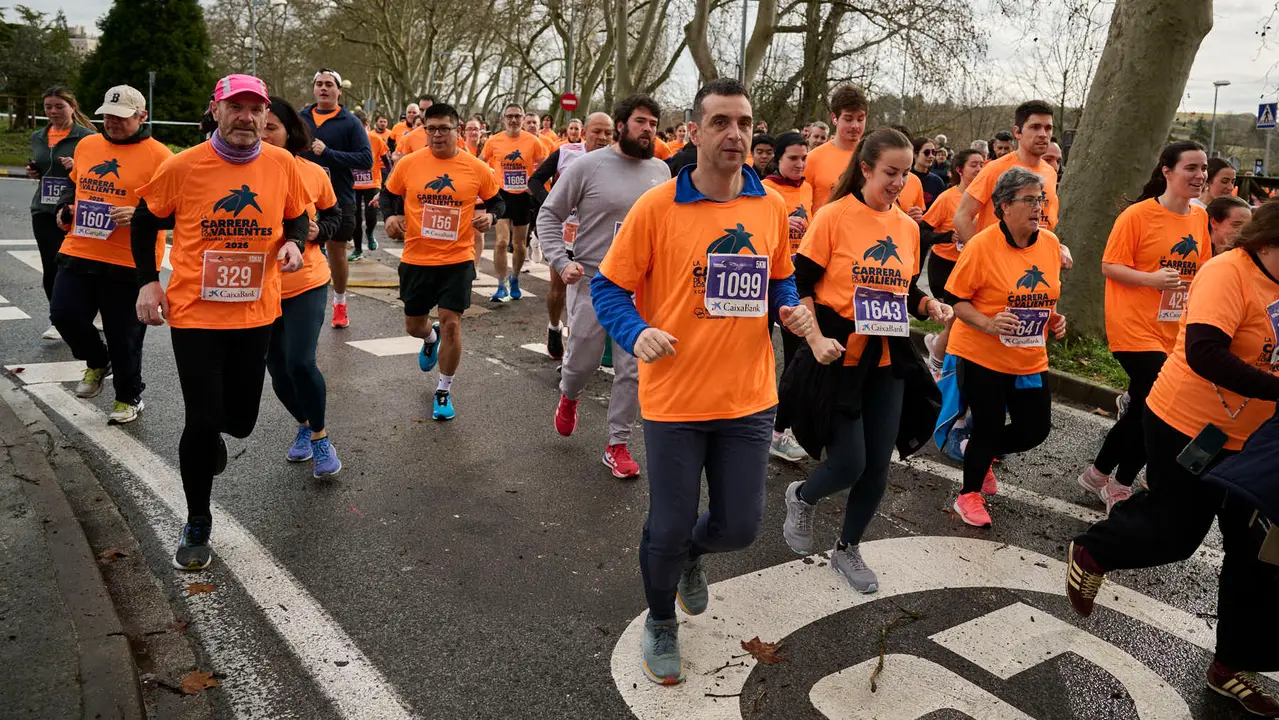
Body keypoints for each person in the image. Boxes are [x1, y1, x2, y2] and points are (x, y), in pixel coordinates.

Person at [590, 78, 812, 685]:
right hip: (676, 398)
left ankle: (690, 554)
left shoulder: (769, 207)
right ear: (692, 133)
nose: (735, 133)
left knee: (739, 528)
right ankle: (660, 618)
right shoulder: (658, 207)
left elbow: (781, 277)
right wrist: (634, 332)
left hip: (747, 397)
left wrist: (789, 305)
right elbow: (609, 287)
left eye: (743, 122)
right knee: (666, 522)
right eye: (720, 122)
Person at [1067, 202, 1279, 719]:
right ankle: (1094, 550)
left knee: (1260, 555)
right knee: (1176, 531)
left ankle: (1232, 666)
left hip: (1256, 440)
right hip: (1188, 425)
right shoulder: (1227, 271)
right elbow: (1206, 351)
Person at [131, 74, 308, 570]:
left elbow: (296, 214)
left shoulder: (282, 163)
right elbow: (146, 218)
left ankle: (216, 437)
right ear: (216, 110)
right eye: (236, 107)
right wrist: (148, 281)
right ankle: (197, 521)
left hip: (256, 312)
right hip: (195, 313)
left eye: (256, 109)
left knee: (243, 422)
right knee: (202, 420)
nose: (246, 118)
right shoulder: (182, 166)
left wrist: (293, 241)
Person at [781, 128, 952, 592]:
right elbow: (800, 283)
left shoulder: (906, 228)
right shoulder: (834, 217)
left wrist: (927, 306)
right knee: (849, 462)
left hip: (888, 355)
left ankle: (848, 548)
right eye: (890, 173)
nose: (898, 182)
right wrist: (813, 336)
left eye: (905, 173)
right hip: (838, 353)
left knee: (878, 465)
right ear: (866, 169)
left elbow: (904, 288)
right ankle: (802, 494)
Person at [1077, 142, 1212, 511]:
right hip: (1133, 326)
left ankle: (1098, 474)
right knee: (1155, 405)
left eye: (1203, 169)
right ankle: (1118, 484)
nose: (1200, 175)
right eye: (1191, 168)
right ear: (1167, 171)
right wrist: (1151, 280)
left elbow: (1202, 270)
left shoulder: (1199, 218)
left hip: (1173, 328)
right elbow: (1110, 266)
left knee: (1141, 406)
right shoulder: (1137, 216)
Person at [540, 96, 669, 478]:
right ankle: (569, 394)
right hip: (595, 281)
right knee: (583, 361)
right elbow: (549, 214)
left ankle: (618, 444)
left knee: (633, 367)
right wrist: (561, 262)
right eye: (641, 122)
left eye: (653, 123)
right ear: (621, 125)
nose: (648, 129)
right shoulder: (587, 166)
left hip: (641, 286)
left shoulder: (662, 171)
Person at [942, 166, 1066, 528]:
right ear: (1004, 206)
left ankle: (982, 458)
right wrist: (988, 323)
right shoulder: (982, 245)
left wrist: (1055, 318)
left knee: (1035, 429)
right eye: (1028, 199)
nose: (1037, 207)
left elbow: (1045, 296)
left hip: (1029, 356)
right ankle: (968, 495)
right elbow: (956, 300)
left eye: (1040, 199)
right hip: (982, 353)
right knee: (989, 426)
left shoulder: (1050, 244)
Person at [49, 85, 170, 424]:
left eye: (121, 117)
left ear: (141, 116)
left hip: (129, 259)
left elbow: (173, 206)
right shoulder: (88, 144)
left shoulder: (161, 156)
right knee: (64, 315)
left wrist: (140, 212)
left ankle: (129, 396)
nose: (112, 123)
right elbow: (77, 183)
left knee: (124, 333)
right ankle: (98, 361)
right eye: (107, 116)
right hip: (80, 248)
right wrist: (65, 206)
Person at [381, 103, 503, 420]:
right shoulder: (409, 164)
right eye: (431, 128)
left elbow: (497, 200)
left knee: (452, 322)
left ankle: (444, 390)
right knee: (413, 325)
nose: (436, 135)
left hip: (457, 258)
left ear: (456, 130)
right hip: (417, 257)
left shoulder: (475, 168)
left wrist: (490, 216)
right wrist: (391, 215)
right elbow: (388, 193)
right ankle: (428, 337)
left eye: (443, 129)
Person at [260, 96, 343, 477]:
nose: (262, 133)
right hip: (258, 286)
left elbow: (335, 214)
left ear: (289, 132)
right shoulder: (237, 171)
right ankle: (304, 424)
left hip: (305, 280)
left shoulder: (311, 172)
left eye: (271, 127)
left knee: (300, 361)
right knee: (277, 369)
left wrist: (319, 230)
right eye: (259, 126)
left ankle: (321, 437)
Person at [529, 112, 615, 359]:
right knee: (558, 289)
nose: (602, 138)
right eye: (596, 132)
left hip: (597, 236)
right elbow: (535, 181)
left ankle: (574, 353)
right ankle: (554, 326)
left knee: (588, 294)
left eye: (607, 133)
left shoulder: (618, 160)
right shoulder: (566, 153)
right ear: (584, 132)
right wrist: (554, 205)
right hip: (564, 233)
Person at [299, 69, 373, 329]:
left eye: (329, 84)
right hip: (303, 196)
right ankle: (301, 301)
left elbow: (366, 159)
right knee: (301, 246)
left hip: (338, 197)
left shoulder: (349, 121)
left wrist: (328, 153)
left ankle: (340, 302)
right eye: (319, 84)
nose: (323, 88)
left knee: (336, 250)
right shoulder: (302, 118)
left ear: (339, 91)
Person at [27, 87, 96, 341]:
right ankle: (57, 320)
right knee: (51, 263)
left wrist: (78, 167)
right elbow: (42, 165)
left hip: (76, 210)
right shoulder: (38, 136)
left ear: (72, 107)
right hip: (44, 209)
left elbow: (99, 172)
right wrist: (34, 171)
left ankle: (88, 311)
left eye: (59, 106)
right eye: (48, 107)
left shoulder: (88, 138)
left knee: (77, 266)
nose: (53, 112)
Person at [761, 132, 813, 463]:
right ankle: (750, 419)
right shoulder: (765, 189)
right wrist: (782, 221)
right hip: (762, 283)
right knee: (757, 353)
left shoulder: (807, 189)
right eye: (793, 158)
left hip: (793, 282)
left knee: (797, 358)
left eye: (804, 158)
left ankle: (782, 429)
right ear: (777, 159)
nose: (799, 164)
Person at [955, 101, 1060, 245]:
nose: (1043, 134)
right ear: (1017, 132)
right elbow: (962, 216)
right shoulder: (995, 169)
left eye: (1048, 128)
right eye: (1035, 127)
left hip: (1034, 262)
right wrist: (980, 256)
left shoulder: (1050, 173)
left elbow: (1049, 221)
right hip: (996, 261)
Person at [920, 149, 985, 375]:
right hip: (944, 266)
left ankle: (939, 346)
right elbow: (922, 232)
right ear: (960, 170)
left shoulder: (987, 199)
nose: (979, 169)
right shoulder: (947, 198)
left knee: (963, 323)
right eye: (974, 165)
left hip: (972, 267)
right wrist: (948, 236)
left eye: (982, 164)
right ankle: (936, 368)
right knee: (955, 320)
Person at [481, 104, 549, 302]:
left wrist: (534, 184)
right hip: (501, 194)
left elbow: (545, 165)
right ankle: (501, 285)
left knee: (519, 244)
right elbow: (479, 163)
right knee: (502, 241)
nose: (513, 120)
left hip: (523, 196)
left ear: (522, 119)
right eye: (509, 116)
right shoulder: (494, 141)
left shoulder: (533, 142)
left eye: (517, 116)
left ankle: (515, 278)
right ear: (503, 119)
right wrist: (489, 179)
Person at [807, 85, 867, 214]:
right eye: (848, 119)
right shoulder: (813, 158)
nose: (855, 125)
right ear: (834, 118)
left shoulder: (872, 157)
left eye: (860, 119)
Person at [350, 108, 389, 259]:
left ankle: (370, 232)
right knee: (355, 218)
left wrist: (388, 182)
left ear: (366, 125)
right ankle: (358, 249)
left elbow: (387, 161)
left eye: (359, 126)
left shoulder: (375, 139)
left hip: (373, 183)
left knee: (371, 214)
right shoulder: (347, 140)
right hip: (353, 184)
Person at [911, 137, 947, 208]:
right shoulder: (905, 179)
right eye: (926, 152)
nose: (931, 156)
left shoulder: (937, 182)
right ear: (915, 154)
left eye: (933, 152)